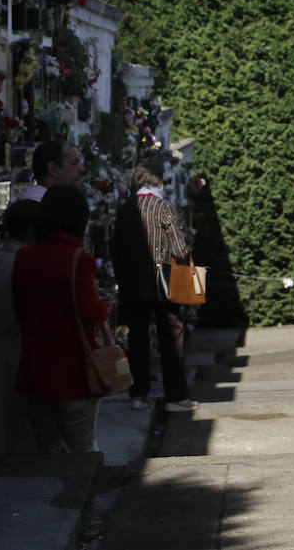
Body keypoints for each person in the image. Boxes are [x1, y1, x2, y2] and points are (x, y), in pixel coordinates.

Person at [10, 185, 107, 453]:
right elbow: (92, 313)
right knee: (81, 449)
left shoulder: (24, 257)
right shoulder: (79, 259)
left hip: (36, 370)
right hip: (74, 370)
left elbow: (20, 310)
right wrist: (104, 306)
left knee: (46, 452)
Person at [112, 160, 198, 413]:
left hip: (133, 283)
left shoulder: (125, 209)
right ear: (158, 181)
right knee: (172, 335)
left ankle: (138, 394)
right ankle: (175, 397)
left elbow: (116, 248)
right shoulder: (162, 207)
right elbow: (179, 248)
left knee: (137, 337)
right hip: (165, 281)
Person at [0, 199, 39, 453]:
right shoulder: (21, 262)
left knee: (1, 420)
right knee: (17, 425)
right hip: (15, 347)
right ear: (31, 230)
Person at [14, 139, 84, 203]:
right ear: (53, 168)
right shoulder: (36, 208)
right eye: (74, 163)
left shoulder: (48, 204)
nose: (81, 169)